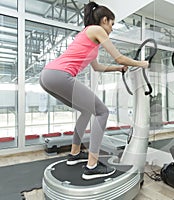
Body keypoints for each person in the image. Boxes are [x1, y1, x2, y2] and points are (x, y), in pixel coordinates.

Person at [39, 2, 149, 180]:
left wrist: (118, 69)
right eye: (112, 24)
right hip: (59, 75)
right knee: (102, 112)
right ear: (104, 20)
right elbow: (119, 56)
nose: (111, 29)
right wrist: (141, 64)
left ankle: (74, 154)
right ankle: (92, 165)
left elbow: (97, 67)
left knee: (86, 110)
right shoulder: (96, 29)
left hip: (48, 76)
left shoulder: (89, 38)